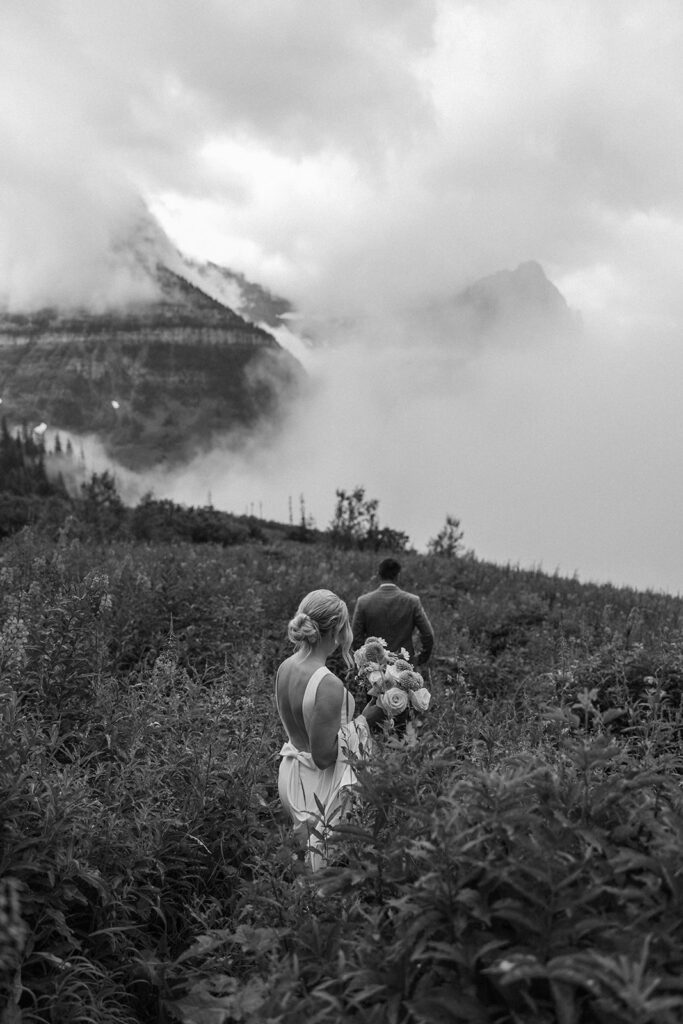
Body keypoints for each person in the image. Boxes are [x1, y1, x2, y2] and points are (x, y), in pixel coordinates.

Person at [275, 589, 384, 871]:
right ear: (337, 628)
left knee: (304, 866)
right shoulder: (328, 683)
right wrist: (366, 721)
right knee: (325, 874)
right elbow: (324, 756)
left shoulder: (286, 667)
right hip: (317, 785)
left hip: (291, 775)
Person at [351, 557, 435, 668]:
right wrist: (421, 658)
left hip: (375, 668)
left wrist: (366, 661)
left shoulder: (363, 602)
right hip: (405, 666)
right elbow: (428, 634)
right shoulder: (412, 601)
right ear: (398, 576)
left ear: (378, 574)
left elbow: (355, 637)